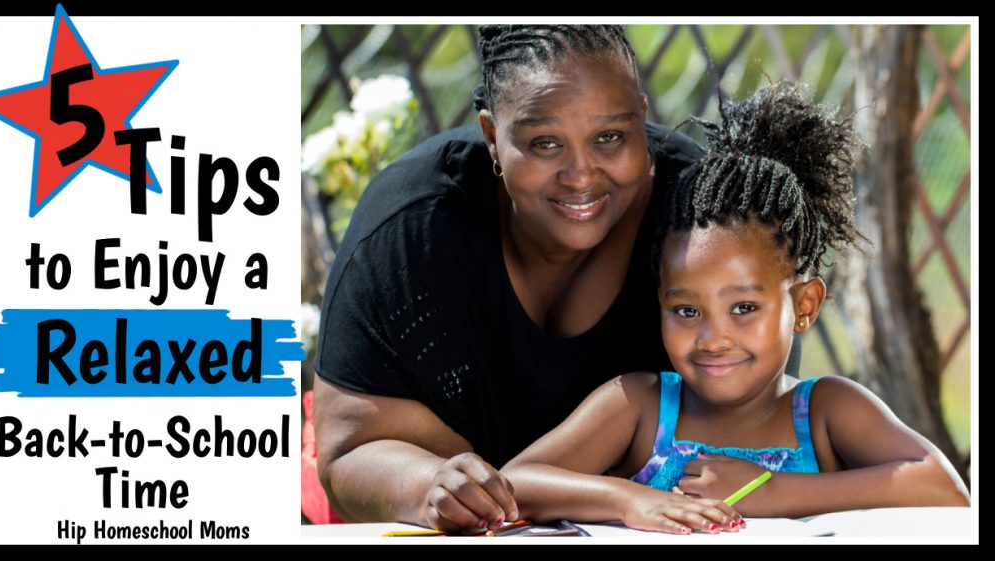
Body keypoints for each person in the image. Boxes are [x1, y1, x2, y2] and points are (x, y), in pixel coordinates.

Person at [311, 25, 789, 533]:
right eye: (544, 144)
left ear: (642, 118)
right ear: (492, 136)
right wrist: (429, 483)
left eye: (610, 137)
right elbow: (350, 448)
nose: (581, 175)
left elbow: (755, 427)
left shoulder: (707, 224)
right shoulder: (410, 230)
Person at [500, 81, 970, 534]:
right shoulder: (640, 407)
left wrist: (769, 493)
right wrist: (627, 498)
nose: (714, 338)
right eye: (686, 311)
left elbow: (943, 487)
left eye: (744, 307)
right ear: (659, 304)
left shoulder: (825, 410)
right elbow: (517, 482)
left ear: (804, 305)